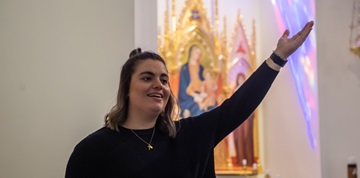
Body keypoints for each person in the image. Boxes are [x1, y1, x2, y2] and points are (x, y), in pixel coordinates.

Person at [65, 21, 314, 178]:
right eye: (147, 78)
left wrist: (278, 57)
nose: (158, 86)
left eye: (164, 79)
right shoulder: (92, 151)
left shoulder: (190, 136)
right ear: (126, 90)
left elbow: (237, 107)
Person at [178, 44, 206, 117]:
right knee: (197, 110)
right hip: (188, 97)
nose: (198, 55)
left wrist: (202, 94)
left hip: (200, 95)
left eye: (199, 53)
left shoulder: (201, 68)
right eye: (197, 53)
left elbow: (204, 83)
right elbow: (183, 89)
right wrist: (194, 96)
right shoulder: (184, 69)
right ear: (192, 52)